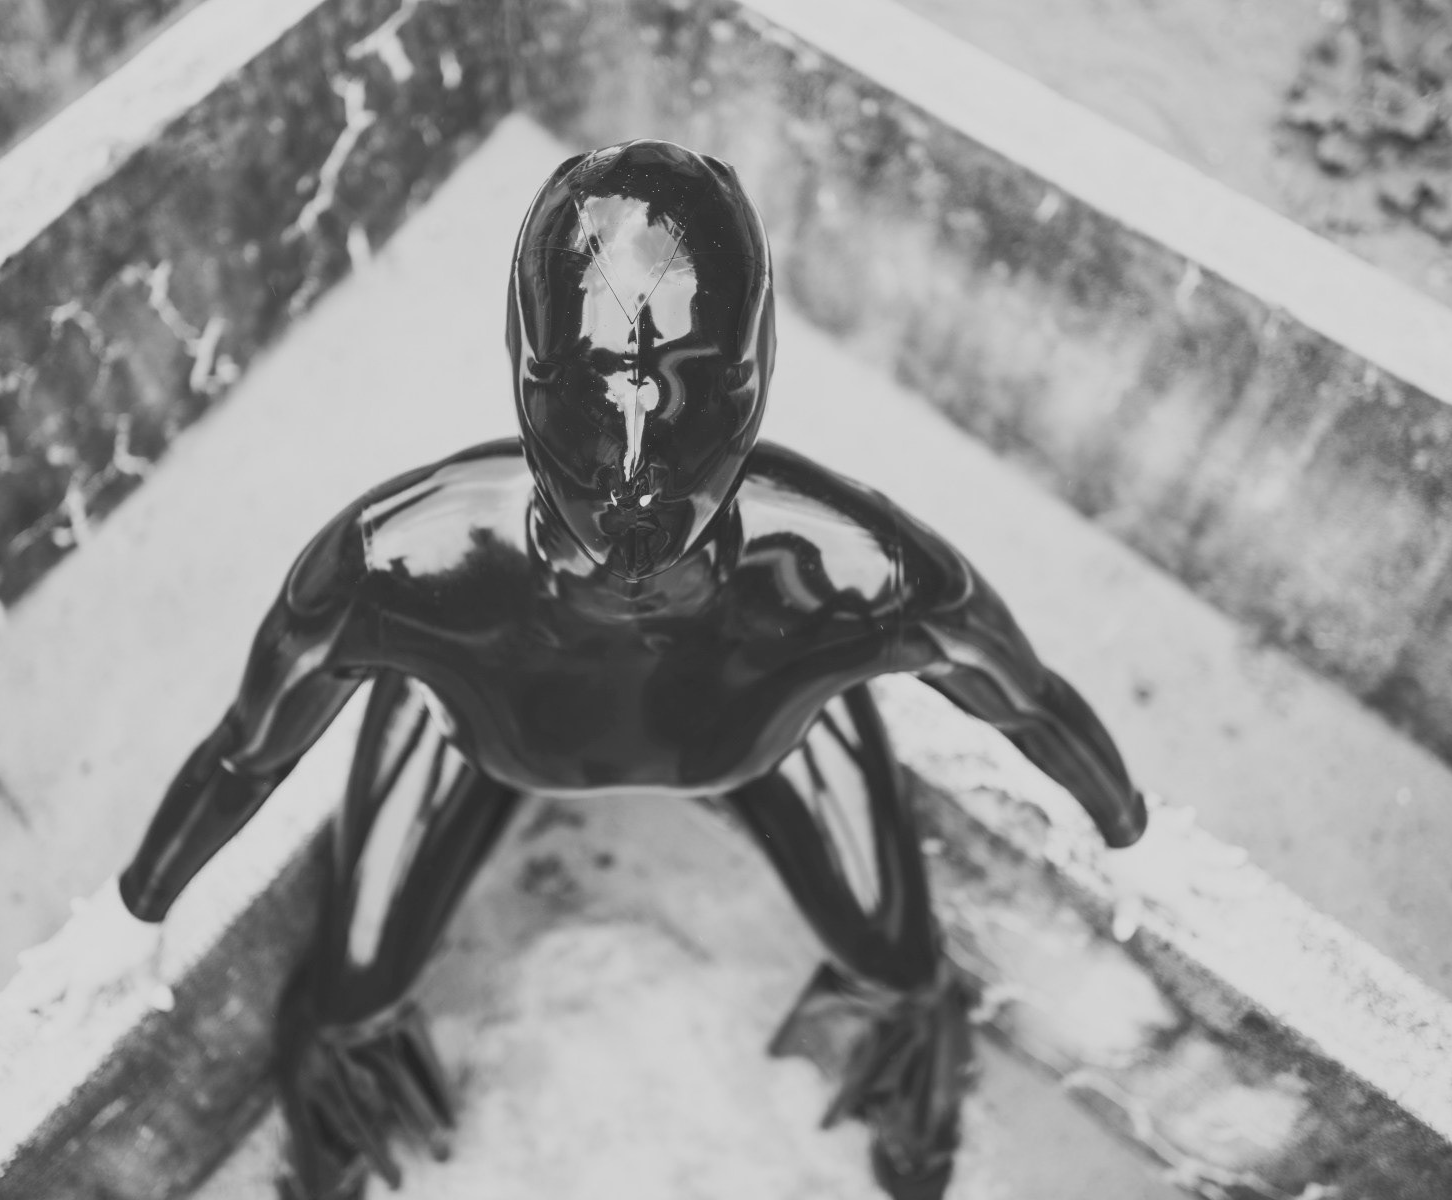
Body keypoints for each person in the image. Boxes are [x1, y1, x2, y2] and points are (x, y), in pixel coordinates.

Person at [115, 140, 1146, 1200]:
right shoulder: (406, 569)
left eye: (695, 388)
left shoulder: (848, 576)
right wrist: (138, 904)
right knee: (349, 997)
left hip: (757, 732)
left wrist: (1127, 827)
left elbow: (1028, 704)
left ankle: (910, 1075)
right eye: (587, 394)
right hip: (485, 731)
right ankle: (341, 1102)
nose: (638, 472)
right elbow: (246, 753)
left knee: (901, 968)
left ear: (757, 376)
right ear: (525, 373)